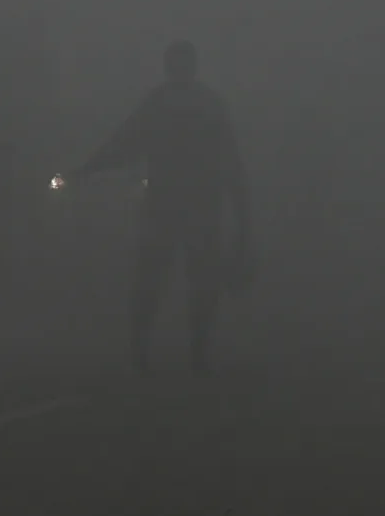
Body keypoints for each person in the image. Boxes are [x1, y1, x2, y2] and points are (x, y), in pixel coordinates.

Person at [72, 40, 252, 373]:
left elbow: (122, 145)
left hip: (172, 207)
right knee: (182, 282)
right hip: (192, 208)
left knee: (158, 280)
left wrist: (88, 168)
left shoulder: (164, 104)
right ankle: (188, 355)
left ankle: (149, 354)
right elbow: (232, 166)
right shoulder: (204, 105)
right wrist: (243, 221)